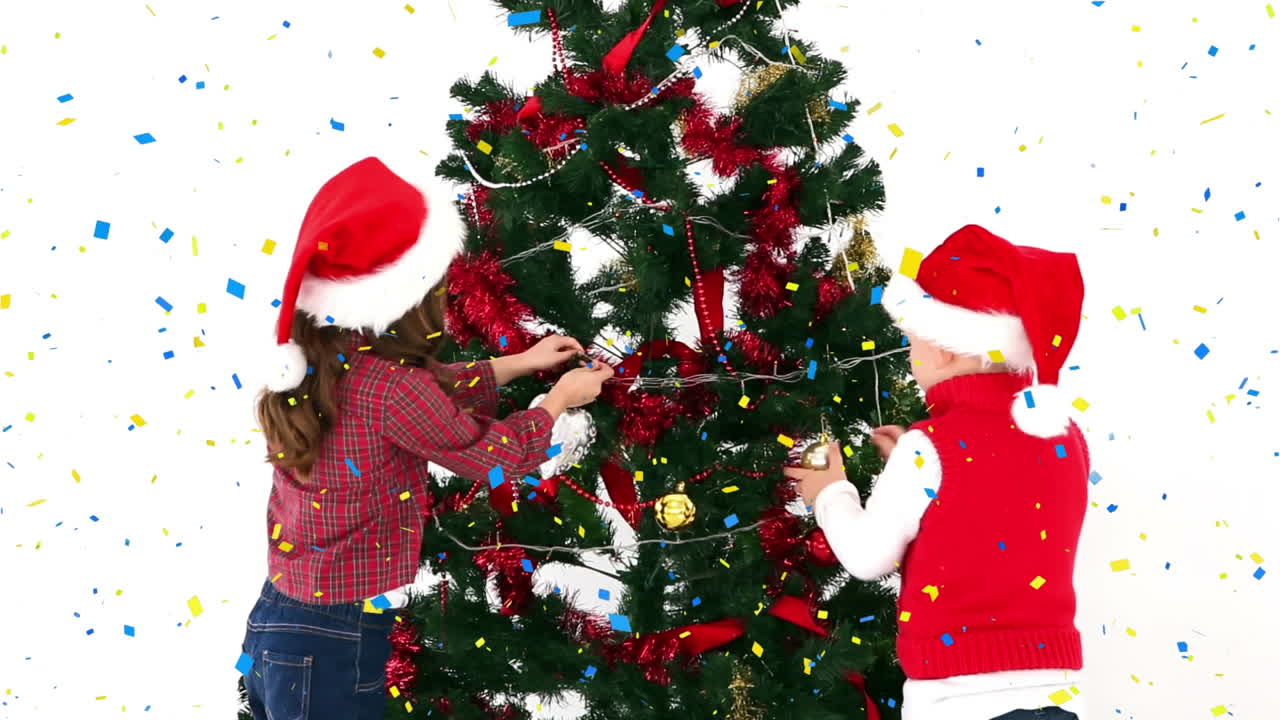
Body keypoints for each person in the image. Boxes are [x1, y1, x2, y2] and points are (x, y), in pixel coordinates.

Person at [238, 157, 613, 720]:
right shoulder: (392, 389)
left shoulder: (321, 360)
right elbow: (496, 456)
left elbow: (426, 393)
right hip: (337, 640)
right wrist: (558, 400)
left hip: (277, 619)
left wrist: (516, 363)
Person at [785, 225, 1089, 720]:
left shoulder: (930, 449)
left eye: (911, 342)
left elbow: (868, 557)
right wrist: (913, 462)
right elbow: (997, 502)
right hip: (1054, 694)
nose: (910, 357)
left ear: (943, 347)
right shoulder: (1063, 433)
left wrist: (830, 492)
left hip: (955, 702)